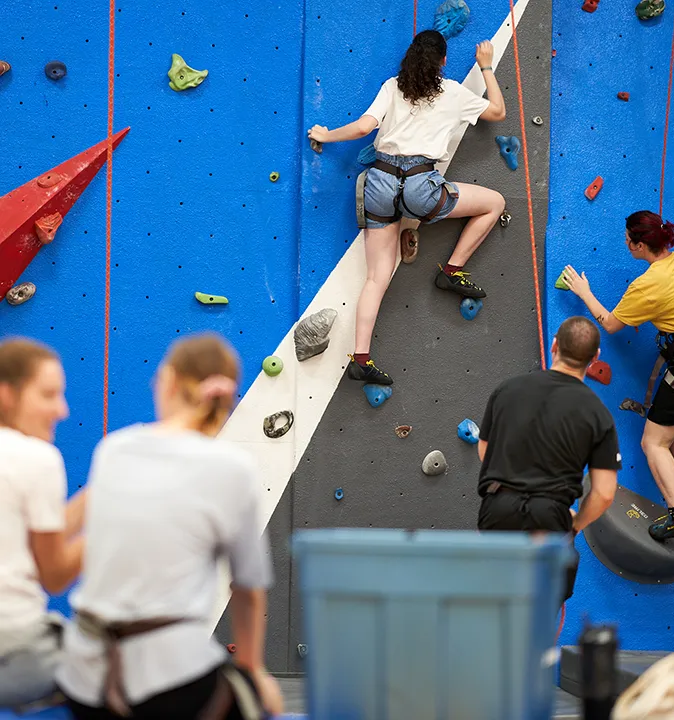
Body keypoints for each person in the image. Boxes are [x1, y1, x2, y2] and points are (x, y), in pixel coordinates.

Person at [57, 333, 283, 719]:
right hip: (171, 680)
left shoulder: (115, 448)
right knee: (257, 701)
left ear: (169, 380)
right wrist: (252, 672)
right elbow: (248, 587)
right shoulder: (233, 468)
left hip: (84, 680)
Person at [308, 30, 506, 385]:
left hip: (380, 182)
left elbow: (363, 128)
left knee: (375, 278)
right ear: (444, 61)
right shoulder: (454, 92)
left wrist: (325, 134)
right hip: (421, 185)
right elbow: (497, 111)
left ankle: (362, 358)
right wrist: (486, 67)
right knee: (494, 203)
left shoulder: (393, 86)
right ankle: (451, 271)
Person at [563, 211, 674, 541]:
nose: (625, 242)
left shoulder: (646, 285)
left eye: (628, 238)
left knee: (653, 442)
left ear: (639, 244)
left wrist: (584, 292)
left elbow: (610, 324)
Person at [476, 317, 621, 603]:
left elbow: (485, 451)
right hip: (550, 513)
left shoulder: (507, 390)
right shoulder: (597, 413)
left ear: (554, 345)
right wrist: (576, 524)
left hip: (498, 507)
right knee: (539, 608)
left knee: (492, 602)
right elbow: (604, 493)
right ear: (595, 358)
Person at [0, 338, 86, 708]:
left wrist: (96, 498)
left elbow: (21, 544)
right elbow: (53, 576)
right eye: (49, 395)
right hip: (16, 655)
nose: (62, 410)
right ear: (7, 394)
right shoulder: (38, 458)